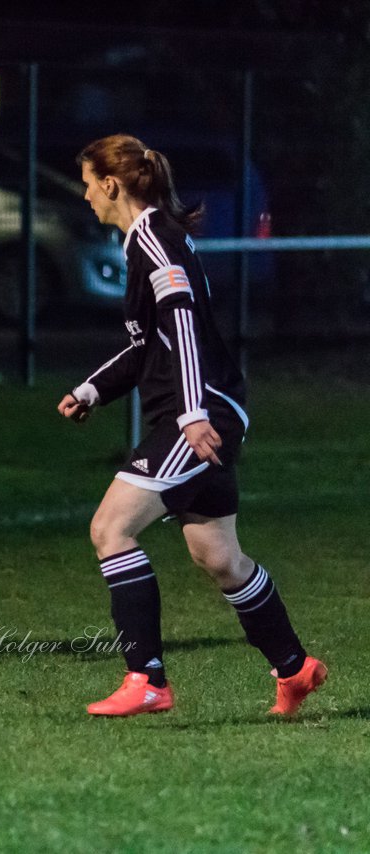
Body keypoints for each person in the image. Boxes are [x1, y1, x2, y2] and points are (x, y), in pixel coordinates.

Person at [58, 134, 326, 716]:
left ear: (111, 184)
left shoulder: (153, 240)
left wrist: (194, 414)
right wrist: (91, 390)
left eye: (87, 183)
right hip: (204, 408)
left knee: (110, 529)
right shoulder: (148, 242)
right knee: (218, 557)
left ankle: (146, 677)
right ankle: (294, 668)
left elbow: (182, 325)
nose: (84, 196)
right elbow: (144, 345)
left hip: (199, 413)